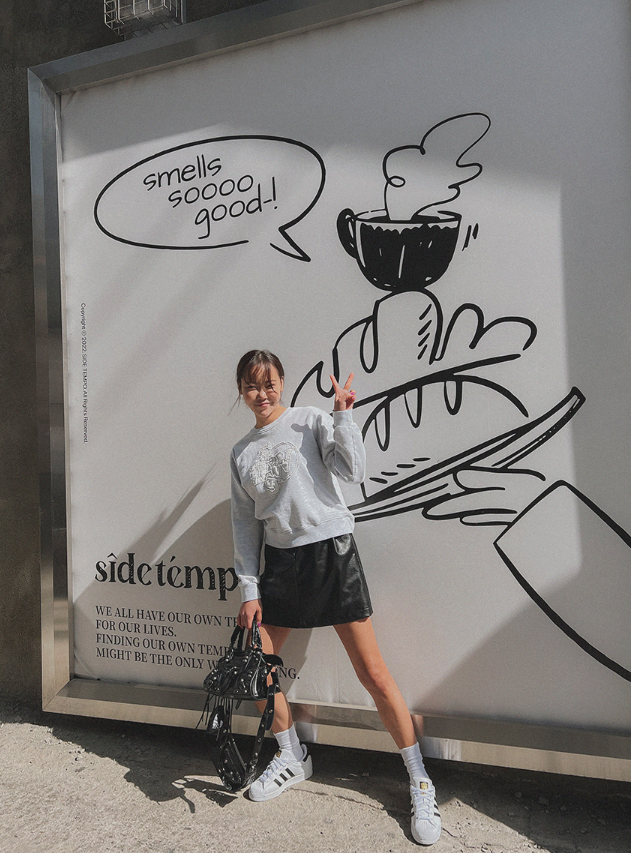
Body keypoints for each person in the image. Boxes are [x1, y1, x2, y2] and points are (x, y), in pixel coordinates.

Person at [229, 349, 441, 846]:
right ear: (240, 391)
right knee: (256, 668)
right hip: (281, 565)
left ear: (282, 383)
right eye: (252, 386)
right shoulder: (240, 452)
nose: (262, 394)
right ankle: (291, 755)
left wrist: (343, 415)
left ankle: (420, 778)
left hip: (331, 553)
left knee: (372, 673)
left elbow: (353, 471)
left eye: (269, 383)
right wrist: (249, 588)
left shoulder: (310, 420)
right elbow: (244, 526)